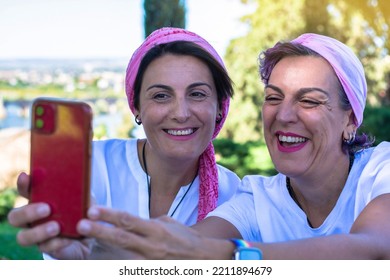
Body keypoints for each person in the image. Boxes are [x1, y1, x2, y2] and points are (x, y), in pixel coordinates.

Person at [75, 33, 390, 259]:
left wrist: (226, 255)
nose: (284, 115)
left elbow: (375, 249)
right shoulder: (255, 198)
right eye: (273, 98)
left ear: (350, 120)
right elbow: (175, 252)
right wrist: (87, 248)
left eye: (308, 101)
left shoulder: (381, 171)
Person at [7, 27, 240, 259]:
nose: (181, 113)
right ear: (136, 107)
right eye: (161, 95)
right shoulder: (91, 166)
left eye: (197, 94)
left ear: (220, 106)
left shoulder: (232, 192)